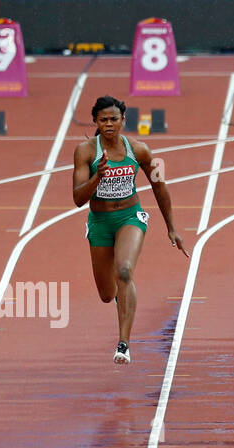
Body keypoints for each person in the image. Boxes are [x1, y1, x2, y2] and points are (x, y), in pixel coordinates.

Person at [73, 95, 187, 364]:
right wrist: (97, 177)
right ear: (96, 123)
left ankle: (123, 343)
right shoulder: (86, 152)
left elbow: (159, 186)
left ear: (124, 120)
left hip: (130, 217)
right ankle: (119, 299)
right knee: (106, 294)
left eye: (114, 119)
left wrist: (172, 227)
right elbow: (78, 198)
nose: (109, 124)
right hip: (100, 221)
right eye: (103, 120)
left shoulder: (140, 150)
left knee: (124, 271)